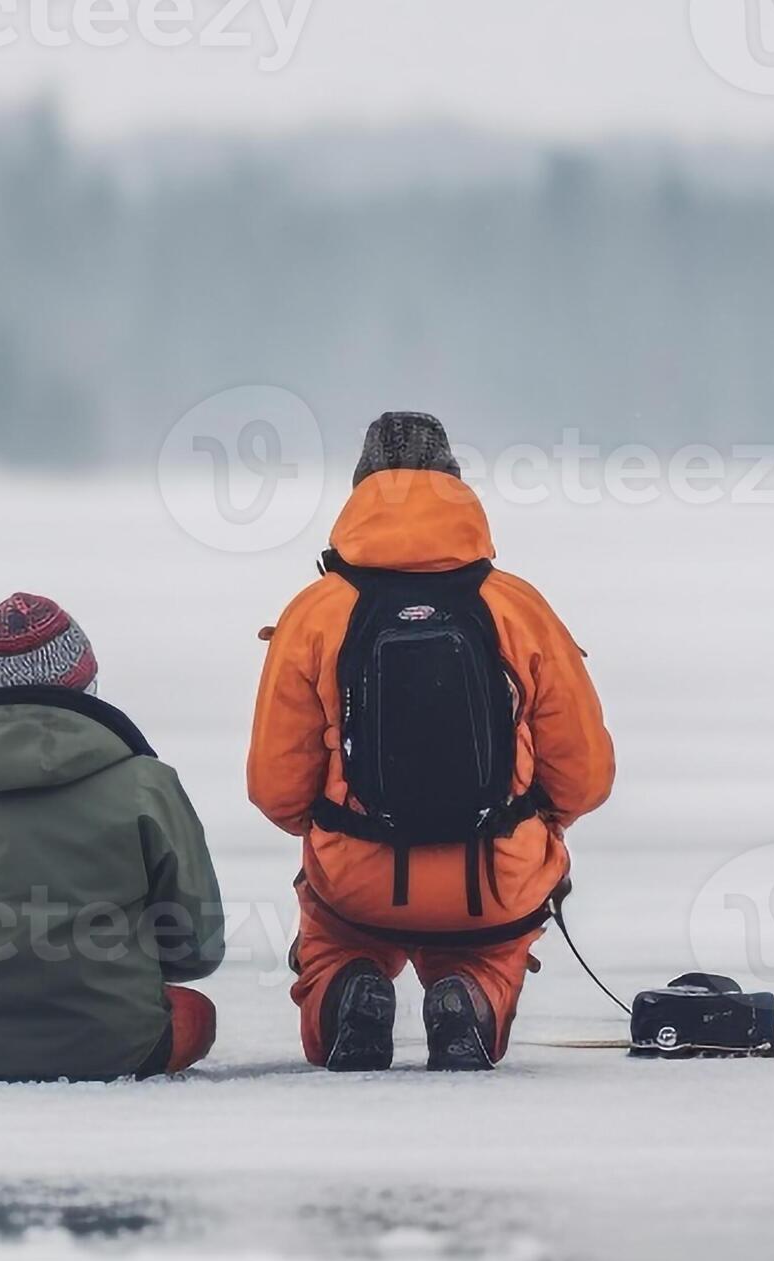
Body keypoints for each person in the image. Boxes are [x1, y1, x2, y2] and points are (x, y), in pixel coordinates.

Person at [248, 412, 615, 1071]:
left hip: (358, 885)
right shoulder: (517, 608)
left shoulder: (315, 612)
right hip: (491, 884)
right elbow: (584, 777)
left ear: (358, 490)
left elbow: (276, 793)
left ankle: (345, 990)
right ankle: (469, 995)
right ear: (455, 484)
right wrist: (533, 828)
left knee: (334, 939)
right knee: (486, 952)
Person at [0, 593, 226, 1081]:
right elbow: (198, 947)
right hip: (117, 1044)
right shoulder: (145, 781)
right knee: (196, 1014)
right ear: (84, 679)